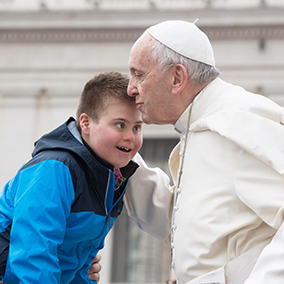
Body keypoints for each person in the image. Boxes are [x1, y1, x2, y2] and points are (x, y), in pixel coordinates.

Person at [122, 20, 284, 284]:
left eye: (138, 74)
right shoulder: (201, 124)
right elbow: (191, 225)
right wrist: (116, 154)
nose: (131, 88)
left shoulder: (237, 119)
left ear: (177, 78)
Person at [0, 71, 143, 283]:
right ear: (85, 123)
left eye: (137, 127)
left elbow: (80, 263)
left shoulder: (112, 178)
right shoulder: (53, 169)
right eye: (120, 125)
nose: (130, 137)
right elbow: (34, 259)